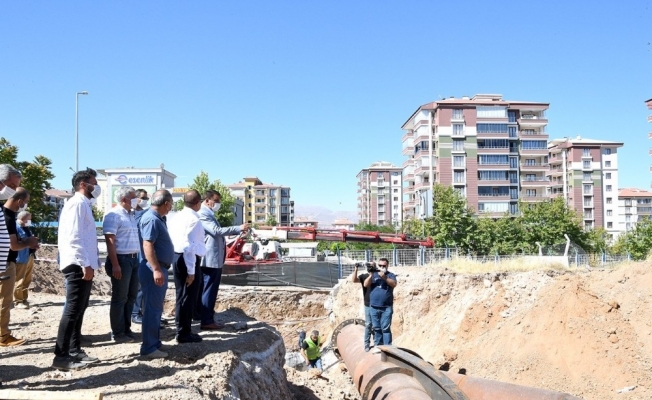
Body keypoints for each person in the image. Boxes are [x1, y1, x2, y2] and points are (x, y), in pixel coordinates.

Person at [53, 168, 101, 370]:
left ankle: (74, 350)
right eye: (94, 183)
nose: (97, 187)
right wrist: (85, 264)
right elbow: (74, 237)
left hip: (82, 263)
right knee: (72, 310)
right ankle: (61, 357)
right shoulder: (77, 204)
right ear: (83, 184)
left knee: (79, 308)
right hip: (77, 264)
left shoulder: (84, 204)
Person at [197, 190, 248, 330]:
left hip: (213, 258)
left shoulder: (208, 214)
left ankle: (203, 315)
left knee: (206, 289)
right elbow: (216, 231)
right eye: (216, 201)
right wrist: (238, 228)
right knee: (209, 290)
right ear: (207, 200)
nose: (218, 204)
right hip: (210, 259)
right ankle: (207, 320)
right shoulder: (203, 214)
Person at [138, 189, 175, 359]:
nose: (171, 207)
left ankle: (154, 342)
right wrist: (156, 269)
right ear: (166, 203)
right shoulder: (152, 219)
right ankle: (149, 347)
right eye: (171, 204)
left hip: (158, 268)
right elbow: (148, 245)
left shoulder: (156, 218)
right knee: (152, 309)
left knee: (156, 308)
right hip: (154, 269)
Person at [2, 187, 38, 347]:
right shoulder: (8, 218)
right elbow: (13, 245)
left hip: (7, 261)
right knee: (4, 300)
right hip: (6, 263)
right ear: (20, 201)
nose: (26, 205)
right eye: (26, 202)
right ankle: (3, 336)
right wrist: (28, 242)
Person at [103, 186, 140, 343]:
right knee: (120, 297)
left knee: (131, 296)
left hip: (134, 259)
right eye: (133, 197)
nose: (136, 200)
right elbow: (110, 242)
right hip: (122, 260)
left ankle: (126, 328)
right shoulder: (113, 215)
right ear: (124, 199)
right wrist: (115, 264)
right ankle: (117, 333)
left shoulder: (131, 215)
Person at [168, 190, 206, 343]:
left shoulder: (177, 216)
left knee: (181, 295)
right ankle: (184, 333)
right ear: (198, 203)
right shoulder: (193, 219)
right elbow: (189, 247)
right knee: (188, 297)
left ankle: (181, 329)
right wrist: (191, 272)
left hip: (177, 257)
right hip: (187, 259)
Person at [364, 257, 397, 346]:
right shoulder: (374, 275)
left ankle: (388, 348)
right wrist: (371, 274)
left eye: (384, 265)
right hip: (374, 307)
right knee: (377, 328)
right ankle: (378, 347)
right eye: (380, 265)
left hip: (386, 308)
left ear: (387, 266)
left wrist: (385, 278)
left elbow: (394, 284)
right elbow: (366, 284)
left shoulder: (390, 275)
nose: (382, 267)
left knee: (385, 329)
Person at [131, 188, 149, 324]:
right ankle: (135, 313)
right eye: (143, 198)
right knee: (137, 287)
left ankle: (143, 312)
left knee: (144, 287)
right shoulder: (130, 214)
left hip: (144, 255)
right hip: (134, 255)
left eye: (146, 198)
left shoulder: (145, 214)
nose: (145, 201)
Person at [351, 261, 375, 352]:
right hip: (368, 304)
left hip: (378, 304)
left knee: (377, 325)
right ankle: (366, 344)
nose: (370, 267)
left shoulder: (378, 276)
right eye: (369, 266)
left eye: (372, 266)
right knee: (368, 324)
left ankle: (377, 342)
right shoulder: (364, 276)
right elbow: (354, 280)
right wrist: (356, 269)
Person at [14, 211, 36, 309]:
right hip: (20, 257)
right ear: (23, 219)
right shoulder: (15, 228)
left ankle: (24, 298)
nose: (30, 221)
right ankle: (17, 301)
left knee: (27, 279)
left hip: (29, 256)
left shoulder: (26, 228)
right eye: (29, 219)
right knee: (19, 280)